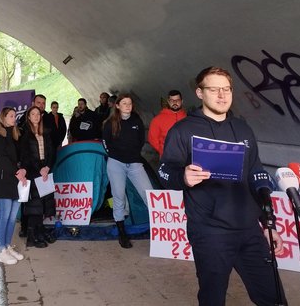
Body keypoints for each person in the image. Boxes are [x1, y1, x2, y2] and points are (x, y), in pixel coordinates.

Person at [158, 66, 286, 306]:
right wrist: (183, 176)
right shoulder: (183, 130)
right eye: (214, 89)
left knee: (274, 297)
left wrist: (270, 224)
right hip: (209, 231)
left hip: (249, 229)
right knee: (213, 298)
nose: (221, 95)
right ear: (199, 93)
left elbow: (256, 175)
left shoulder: (243, 128)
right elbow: (165, 171)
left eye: (226, 89)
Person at [102, 93, 153, 249]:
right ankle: (122, 233)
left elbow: (140, 141)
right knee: (119, 197)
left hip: (135, 163)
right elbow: (106, 144)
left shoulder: (136, 121)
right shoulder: (110, 123)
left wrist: (132, 155)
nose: (127, 106)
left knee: (149, 194)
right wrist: (118, 155)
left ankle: (159, 228)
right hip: (116, 164)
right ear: (117, 106)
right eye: (124, 103)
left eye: (129, 103)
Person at [0, 107, 28, 265]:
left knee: (12, 217)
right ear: (3, 118)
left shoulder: (15, 134)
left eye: (15, 116)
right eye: (11, 116)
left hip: (16, 180)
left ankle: (7, 246)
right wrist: (17, 172)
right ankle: (1, 250)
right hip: (3, 180)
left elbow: (21, 155)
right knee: (4, 215)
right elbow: (2, 158)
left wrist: (23, 169)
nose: (14, 118)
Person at [19, 105, 56, 248]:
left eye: (38, 114)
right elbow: (25, 157)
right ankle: (31, 237)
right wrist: (40, 169)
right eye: (33, 114)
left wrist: (47, 167)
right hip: (33, 172)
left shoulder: (45, 133)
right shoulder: (25, 134)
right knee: (34, 207)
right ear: (28, 117)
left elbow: (52, 153)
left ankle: (40, 233)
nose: (36, 116)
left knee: (44, 205)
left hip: (45, 172)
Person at [147, 89, 187, 157]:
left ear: (182, 101)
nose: (175, 102)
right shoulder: (157, 119)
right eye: (172, 100)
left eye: (177, 100)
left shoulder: (188, 118)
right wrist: (163, 151)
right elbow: (152, 139)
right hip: (167, 158)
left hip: (185, 158)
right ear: (168, 102)